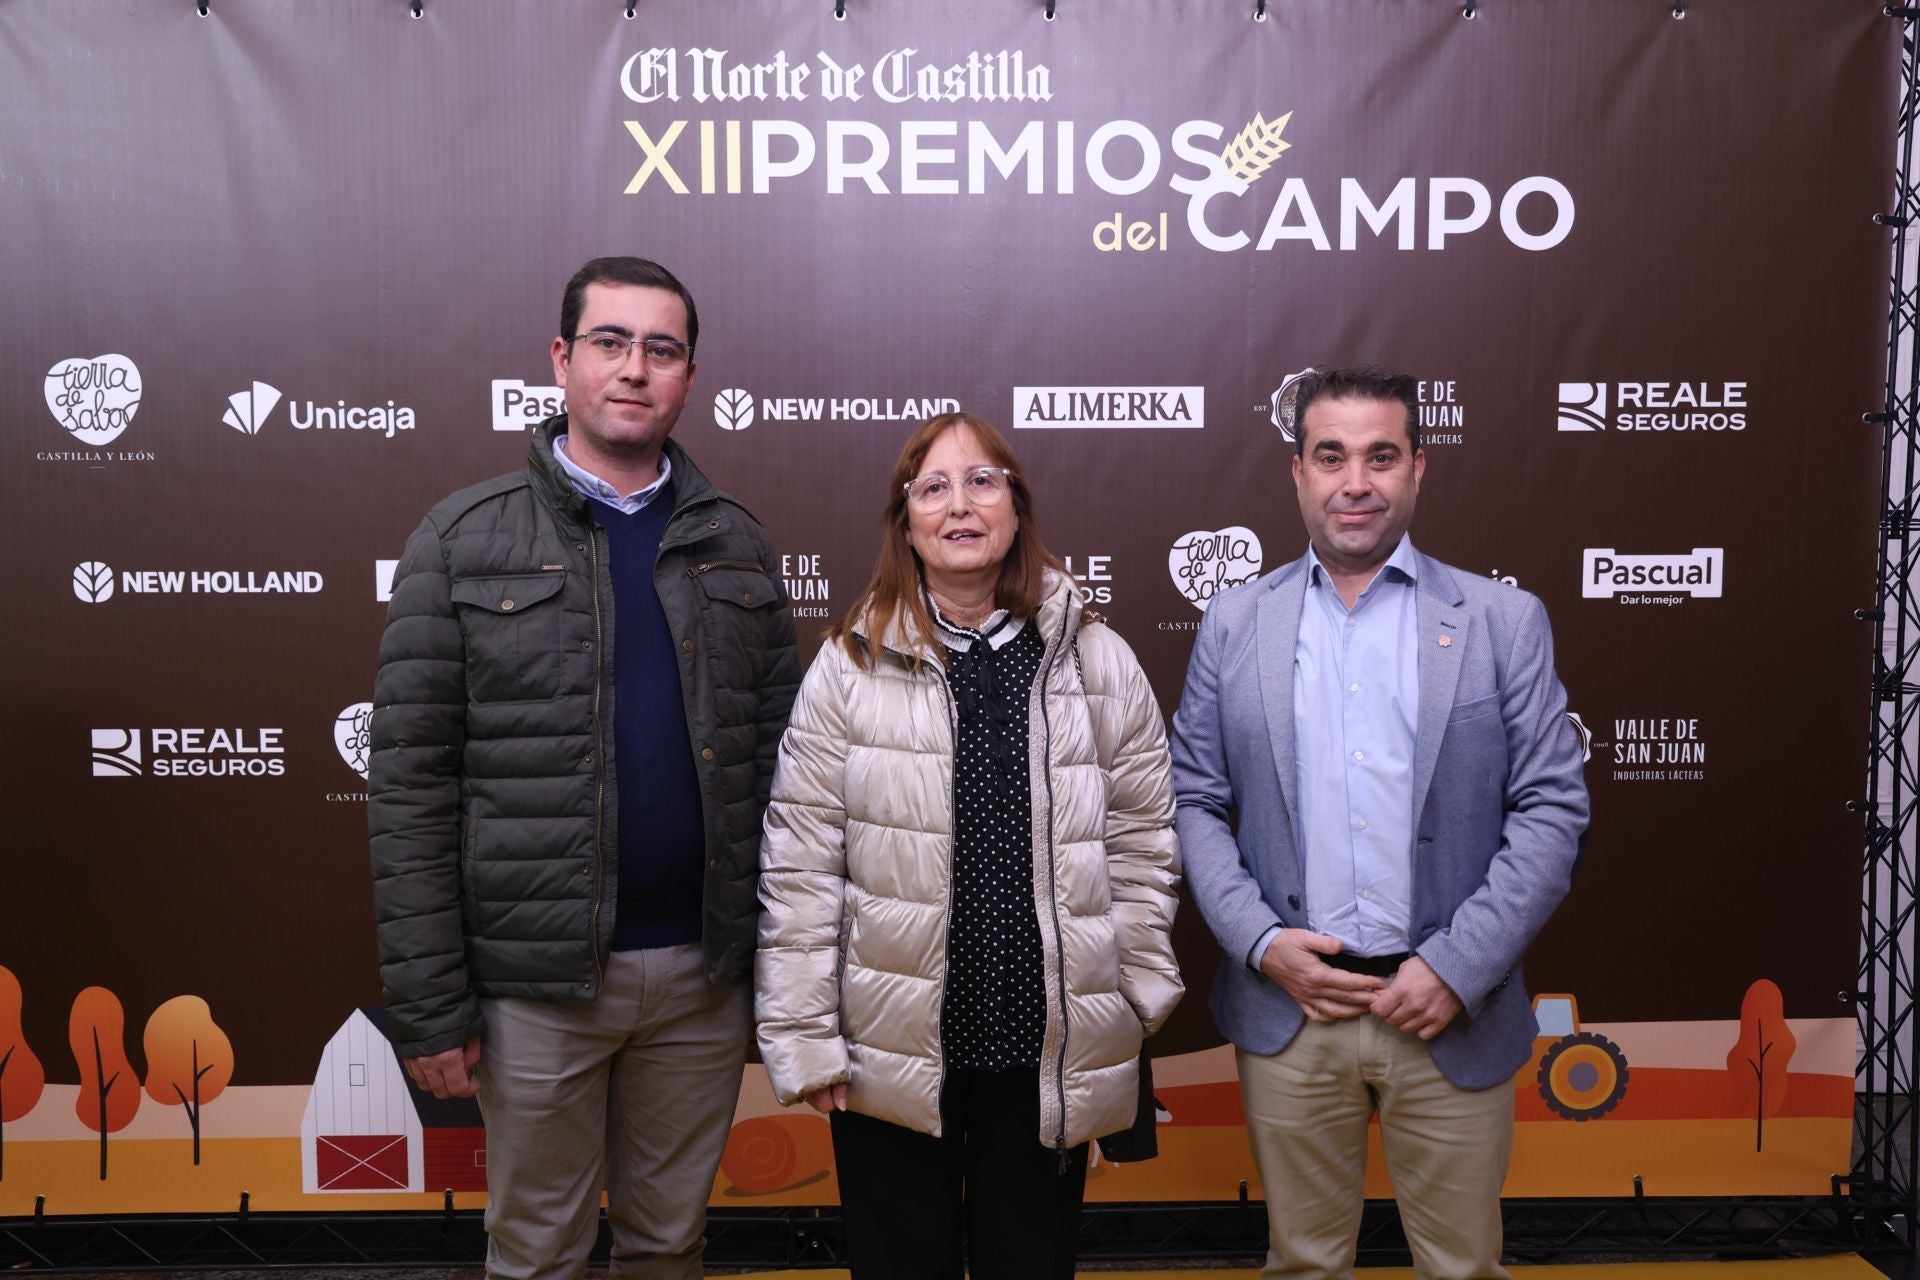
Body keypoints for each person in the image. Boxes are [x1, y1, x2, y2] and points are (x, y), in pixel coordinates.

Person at [368, 256, 800, 1280]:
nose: (634, 368)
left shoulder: (735, 542)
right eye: (610, 341)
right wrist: (431, 1003)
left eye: (662, 348)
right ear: (562, 359)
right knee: (539, 1251)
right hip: (536, 986)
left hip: (701, 979)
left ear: (690, 374)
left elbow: (787, 771)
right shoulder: (462, 539)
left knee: (668, 1244)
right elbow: (411, 790)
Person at [1171, 365, 1589, 1280]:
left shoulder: (1502, 621)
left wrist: (1458, 964)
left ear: (1417, 469)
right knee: (1304, 1265)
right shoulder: (1235, 623)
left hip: (1448, 1012)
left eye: (1380, 456)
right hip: (1292, 1008)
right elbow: (1193, 798)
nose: (1355, 481)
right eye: (1332, 456)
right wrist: (1260, 942)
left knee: (1462, 1268)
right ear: (1298, 473)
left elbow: (1553, 806)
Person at [754, 412, 1183, 1279]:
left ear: (1017, 509)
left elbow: (1143, 841)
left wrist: (1131, 993)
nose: (960, 504)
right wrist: (806, 1034)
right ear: (905, 518)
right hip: (893, 1055)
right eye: (934, 486)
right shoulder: (847, 666)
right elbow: (801, 863)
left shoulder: (1094, 660)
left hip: (1047, 1053)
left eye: (983, 481)